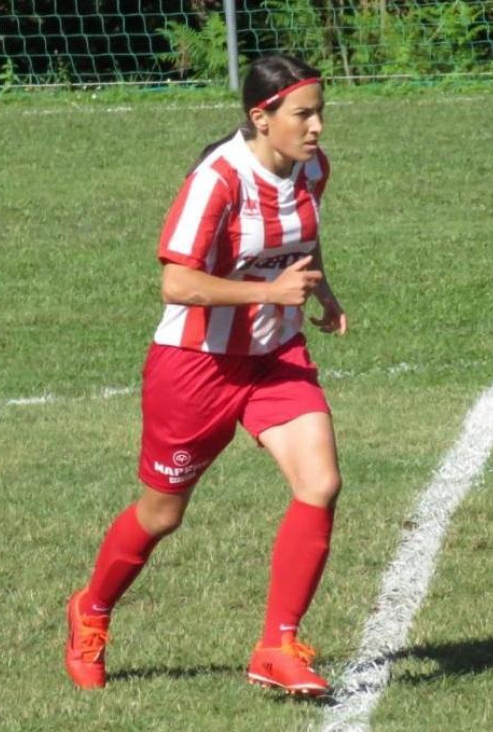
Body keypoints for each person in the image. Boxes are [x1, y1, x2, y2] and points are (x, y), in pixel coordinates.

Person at [64, 54, 347, 697]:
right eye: (303, 114)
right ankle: (92, 610)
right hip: (195, 367)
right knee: (162, 514)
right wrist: (267, 293)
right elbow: (176, 283)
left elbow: (303, 238)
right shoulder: (218, 179)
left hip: (276, 356)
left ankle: (277, 645)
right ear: (261, 116)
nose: (318, 127)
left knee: (320, 482)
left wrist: (321, 291)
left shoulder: (312, 169)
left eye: (321, 111)